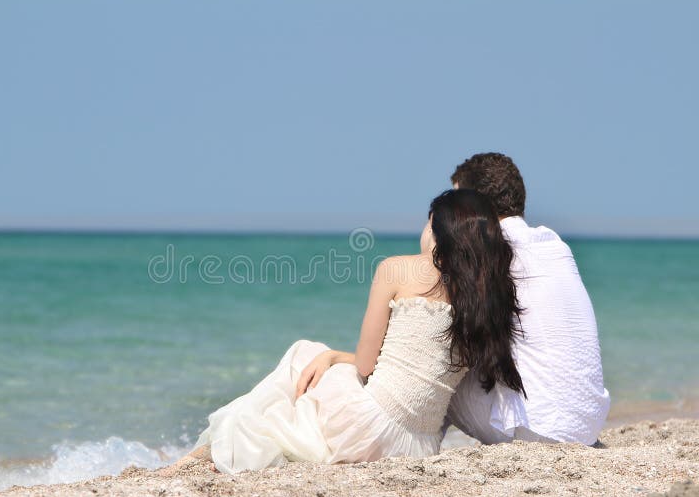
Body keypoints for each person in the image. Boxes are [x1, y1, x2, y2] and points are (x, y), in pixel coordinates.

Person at [163, 189, 526, 475]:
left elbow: (366, 365)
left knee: (302, 354)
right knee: (317, 364)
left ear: (437, 231)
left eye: (428, 224)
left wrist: (335, 357)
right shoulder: (488, 299)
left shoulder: (396, 270)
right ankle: (217, 446)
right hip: (418, 446)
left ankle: (210, 449)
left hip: (371, 427)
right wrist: (336, 357)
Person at [445, 152, 611, 445]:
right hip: (586, 424)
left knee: (434, 373)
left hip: (541, 429)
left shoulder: (489, 252)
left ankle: (415, 445)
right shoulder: (554, 244)